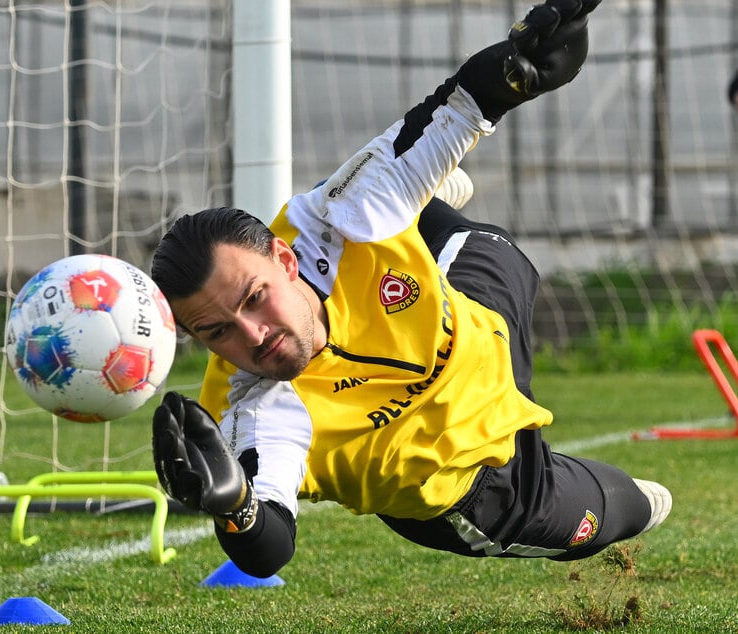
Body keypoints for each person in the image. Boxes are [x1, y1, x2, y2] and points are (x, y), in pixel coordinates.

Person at [149, 0, 672, 579]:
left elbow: (463, 102)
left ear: (284, 256)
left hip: (478, 315)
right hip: (471, 480)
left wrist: (523, 67)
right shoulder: (253, 409)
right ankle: (418, 194)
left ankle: (418, 194)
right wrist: (237, 508)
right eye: (217, 331)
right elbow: (270, 546)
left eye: (253, 298)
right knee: (626, 508)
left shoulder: (334, 222)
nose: (254, 335)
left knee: (451, 229)